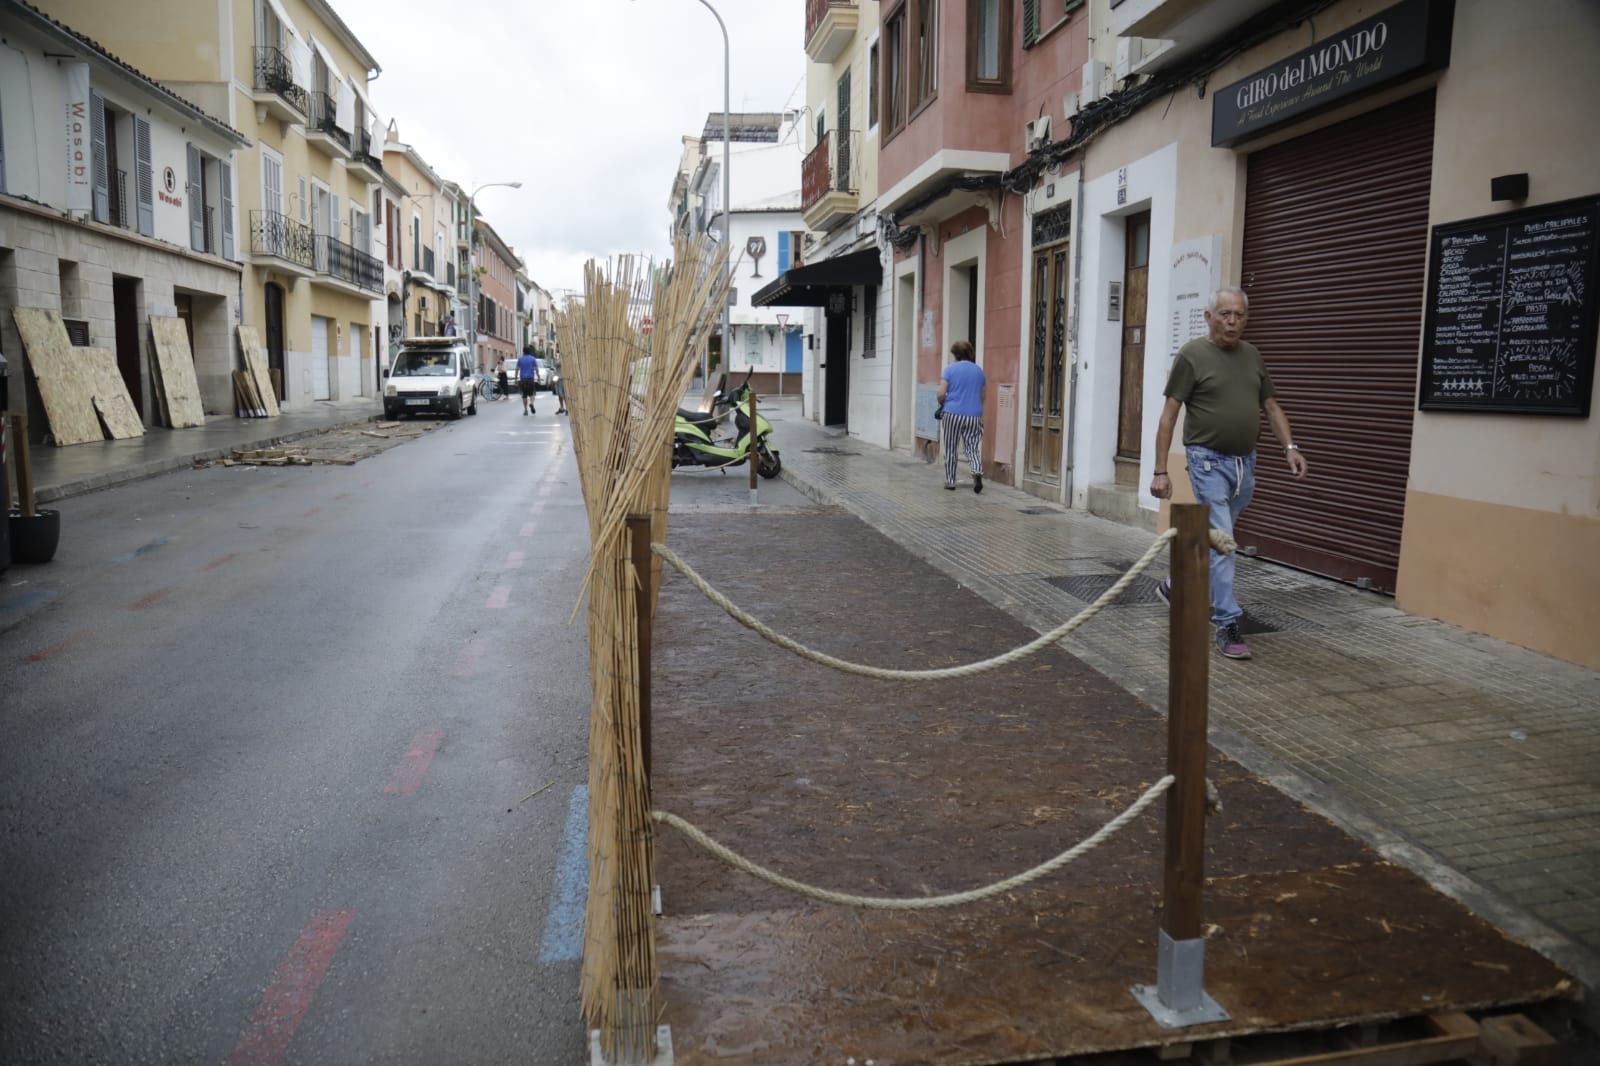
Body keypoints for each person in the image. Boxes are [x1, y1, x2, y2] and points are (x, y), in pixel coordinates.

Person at [1150, 286, 1308, 661]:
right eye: (1225, 314)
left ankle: (1178, 585)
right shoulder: (1192, 355)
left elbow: (1270, 405)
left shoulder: (1252, 355)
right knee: (1225, 541)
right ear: (1209, 317)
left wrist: (1290, 447)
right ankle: (1227, 621)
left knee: (1218, 537)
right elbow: (1169, 415)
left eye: (1239, 315)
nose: (1232, 321)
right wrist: (1160, 470)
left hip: (1245, 464)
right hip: (1207, 461)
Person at [937, 340, 987, 493]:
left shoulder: (949, 370)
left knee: (951, 447)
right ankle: (977, 472)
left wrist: (942, 402)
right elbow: (983, 396)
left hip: (952, 413)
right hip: (974, 415)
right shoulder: (979, 371)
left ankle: (950, 481)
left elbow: (940, 393)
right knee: (972, 447)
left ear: (955, 355)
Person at [516, 347, 539, 415]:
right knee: (532, 394)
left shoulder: (520, 359)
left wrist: (515, 378)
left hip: (523, 379)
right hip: (530, 379)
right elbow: (536, 369)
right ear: (529, 351)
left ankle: (525, 410)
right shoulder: (533, 359)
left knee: (524, 395)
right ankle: (531, 403)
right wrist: (538, 376)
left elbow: (517, 369)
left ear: (523, 351)